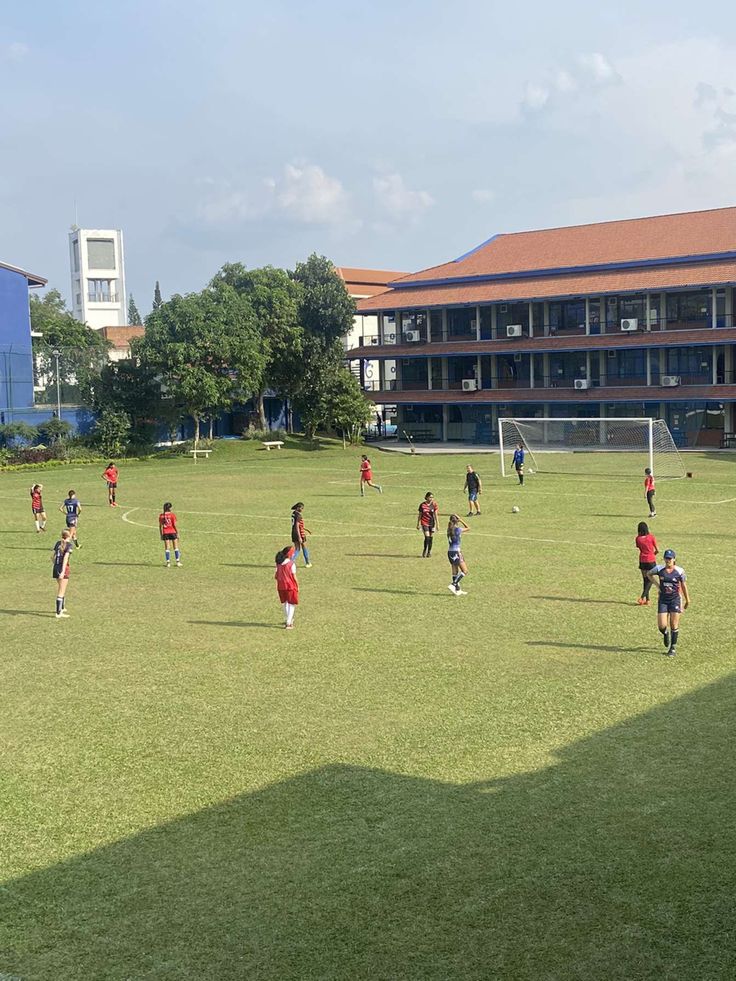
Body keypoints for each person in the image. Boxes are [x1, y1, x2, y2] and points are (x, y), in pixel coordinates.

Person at [648, 549, 690, 657]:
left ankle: (673, 648)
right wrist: (657, 585)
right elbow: (649, 574)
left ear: (674, 559)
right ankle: (665, 633)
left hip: (675, 599)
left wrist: (687, 600)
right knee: (662, 625)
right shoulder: (659, 569)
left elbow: (684, 585)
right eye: (666, 558)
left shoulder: (680, 571)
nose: (668, 560)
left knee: (674, 624)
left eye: (670, 558)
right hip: (663, 599)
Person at [275, 544, 299, 629]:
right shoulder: (291, 564)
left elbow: (276, 576)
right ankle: (289, 623)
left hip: (280, 586)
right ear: (289, 554)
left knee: (285, 603)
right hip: (290, 586)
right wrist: (297, 585)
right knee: (291, 604)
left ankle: (287, 619)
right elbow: (294, 577)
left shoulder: (278, 563)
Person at [634, 521, 658, 605]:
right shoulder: (651, 537)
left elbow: (638, 547)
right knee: (651, 580)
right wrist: (654, 553)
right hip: (651, 560)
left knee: (645, 580)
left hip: (642, 560)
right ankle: (642, 597)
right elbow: (657, 549)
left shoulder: (637, 538)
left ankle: (647, 600)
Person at [446, 514, 470, 595]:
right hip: (456, 552)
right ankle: (453, 584)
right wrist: (461, 519)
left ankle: (458, 590)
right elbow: (468, 527)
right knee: (465, 571)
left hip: (450, 552)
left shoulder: (449, 530)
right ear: (457, 521)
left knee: (455, 571)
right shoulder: (458, 529)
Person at [52, 528, 73, 618]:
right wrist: (63, 571)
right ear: (69, 536)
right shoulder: (69, 545)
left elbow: (52, 557)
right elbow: (65, 559)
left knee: (62, 588)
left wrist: (56, 564)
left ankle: (62, 607)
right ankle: (58, 613)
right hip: (63, 569)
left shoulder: (58, 543)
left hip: (55, 567)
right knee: (61, 590)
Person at [159, 502, 182, 567]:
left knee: (167, 548)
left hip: (165, 533)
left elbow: (160, 526)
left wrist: (161, 535)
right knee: (176, 547)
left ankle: (168, 563)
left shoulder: (161, 516)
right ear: (170, 508)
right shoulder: (172, 515)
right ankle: (178, 562)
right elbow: (174, 525)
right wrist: (177, 533)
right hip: (172, 532)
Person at [417, 492, 440, 557]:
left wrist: (437, 524)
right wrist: (418, 523)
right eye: (430, 497)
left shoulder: (434, 504)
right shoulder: (422, 505)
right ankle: (425, 550)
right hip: (424, 522)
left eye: (432, 497)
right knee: (427, 537)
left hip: (432, 523)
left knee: (430, 538)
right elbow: (420, 515)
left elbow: (436, 515)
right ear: (426, 497)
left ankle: (429, 552)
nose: (431, 498)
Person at [290, 502, 312, 568]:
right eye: (301, 508)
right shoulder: (299, 515)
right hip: (299, 533)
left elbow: (296, 525)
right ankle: (307, 562)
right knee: (302, 548)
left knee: (297, 549)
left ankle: (290, 562)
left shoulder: (293, 513)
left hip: (293, 533)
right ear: (298, 508)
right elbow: (297, 526)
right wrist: (299, 537)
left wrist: (306, 529)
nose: (302, 510)